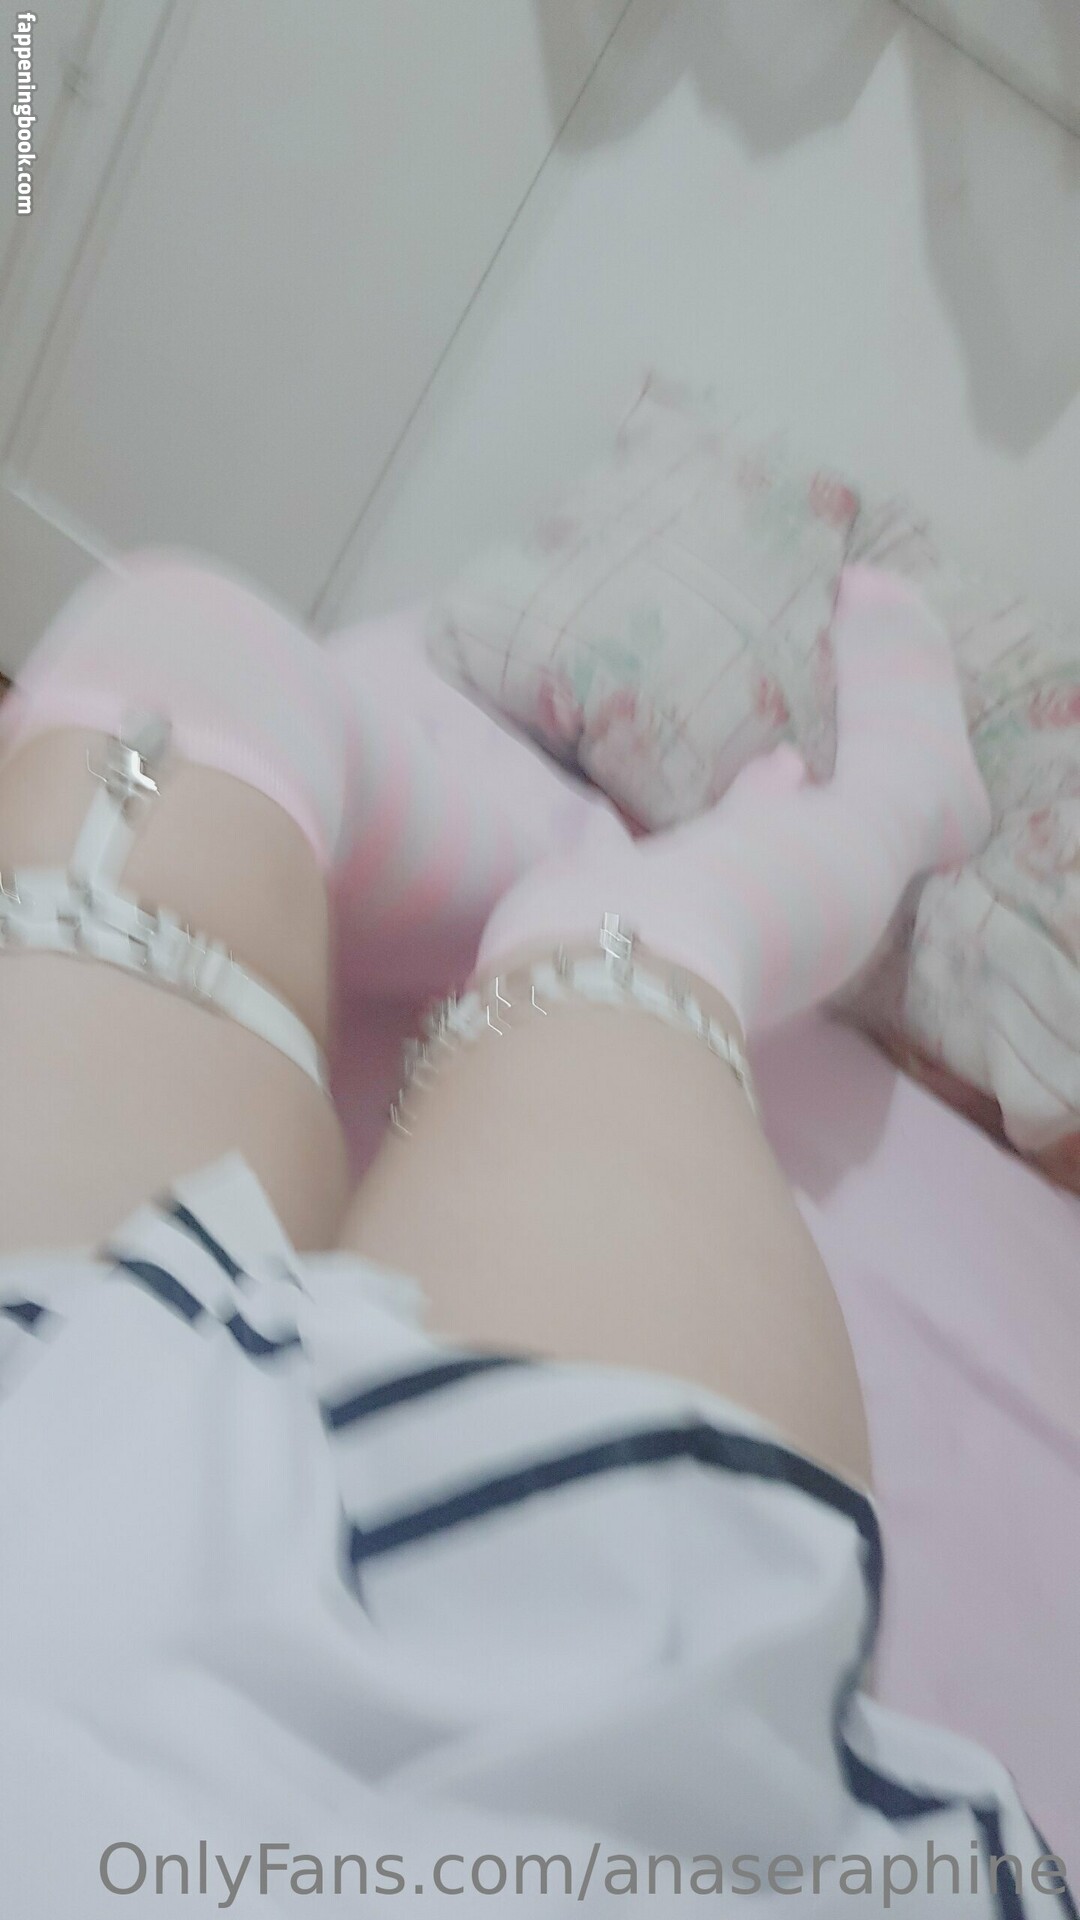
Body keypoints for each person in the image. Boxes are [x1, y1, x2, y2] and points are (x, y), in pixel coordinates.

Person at [0, 552, 1070, 1916]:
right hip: (542, 1738)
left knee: (175, 649)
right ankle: (864, 816)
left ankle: (589, 902)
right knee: (613, 940)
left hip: (38, 1433)